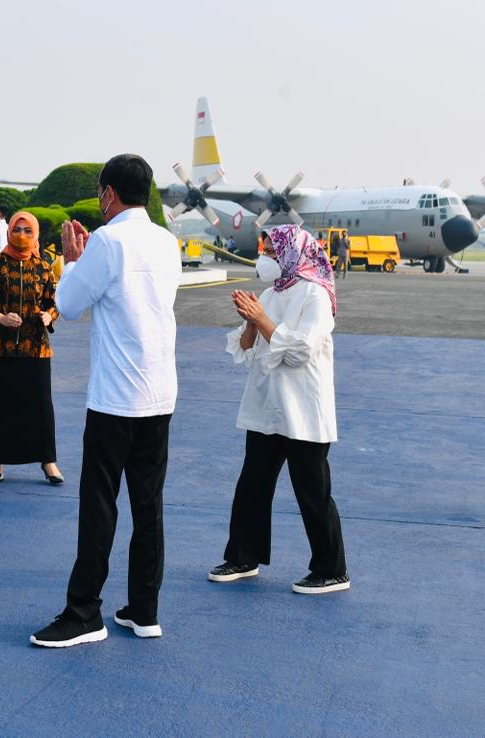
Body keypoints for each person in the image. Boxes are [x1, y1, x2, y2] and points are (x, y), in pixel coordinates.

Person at [30, 154, 180, 648]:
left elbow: (69, 305)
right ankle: (144, 608)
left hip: (117, 397)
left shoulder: (108, 242)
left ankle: (83, 613)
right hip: (159, 394)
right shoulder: (166, 241)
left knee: (99, 505)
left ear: (108, 194)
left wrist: (73, 260)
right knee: (148, 505)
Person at [208, 224, 349, 594]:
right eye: (266, 251)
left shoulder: (316, 294)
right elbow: (246, 348)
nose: (266, 257)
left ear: (292, 253)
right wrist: (250, 321)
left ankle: (332, 569)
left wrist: (262, 319)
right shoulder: (271, 293)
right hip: (266, 407)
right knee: (252, 486)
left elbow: (301, 350)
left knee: (313, 491)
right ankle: (243, 556)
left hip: (302, 410)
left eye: (273, 251)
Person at [0, 211, 63, 485]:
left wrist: (49, 316)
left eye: (27, 230)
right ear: (9, 232)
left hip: (35, 346)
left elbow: (54, 302)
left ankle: (48, 460)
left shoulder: (43, 267)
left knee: (41, 403)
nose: (22, 235)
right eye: (17, 229)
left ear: (36, 234)